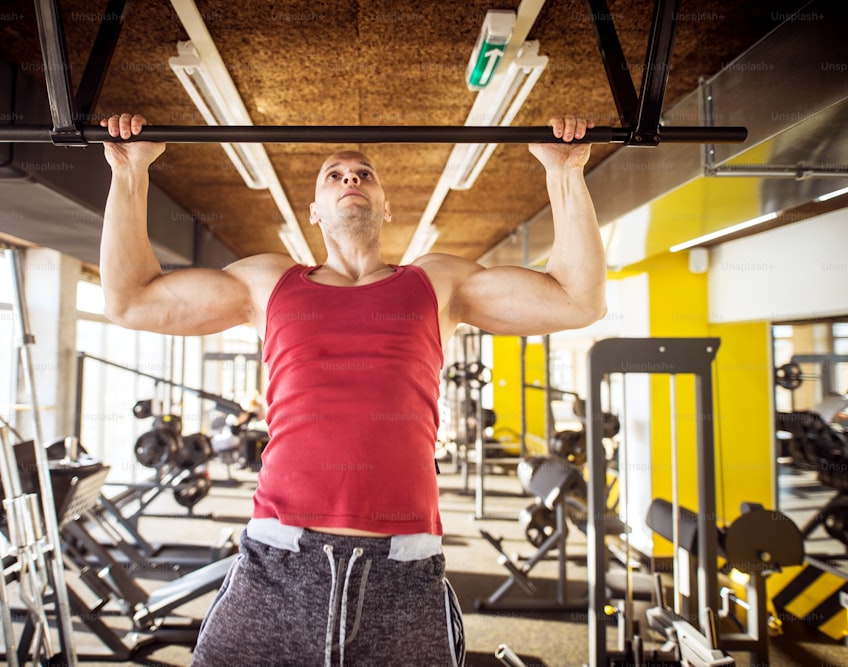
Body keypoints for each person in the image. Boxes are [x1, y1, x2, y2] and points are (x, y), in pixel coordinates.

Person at [100, 113, 605, 667]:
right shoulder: (268, 284)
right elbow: (131, 300)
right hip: (278, 560)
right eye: (333, 175)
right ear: (313, 212)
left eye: (362, 173)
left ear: (386, 207)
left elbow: (576, 299)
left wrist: (564, 173)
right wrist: (130, 173)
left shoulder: (436, 284)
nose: (349, 179)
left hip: (404, 572)